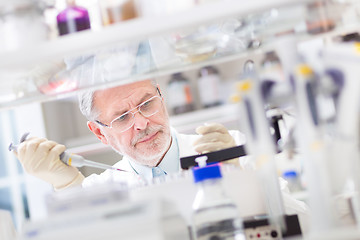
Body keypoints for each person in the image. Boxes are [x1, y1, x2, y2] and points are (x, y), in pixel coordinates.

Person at [15, 78, 309, 230]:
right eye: (122, 118)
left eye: (146, 104)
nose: (142, 123)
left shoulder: (229, 146)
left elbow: (304, 224)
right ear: (99, 132)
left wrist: (241, 177)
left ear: (162, 97)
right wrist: (66, 187)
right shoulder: (96, 192)